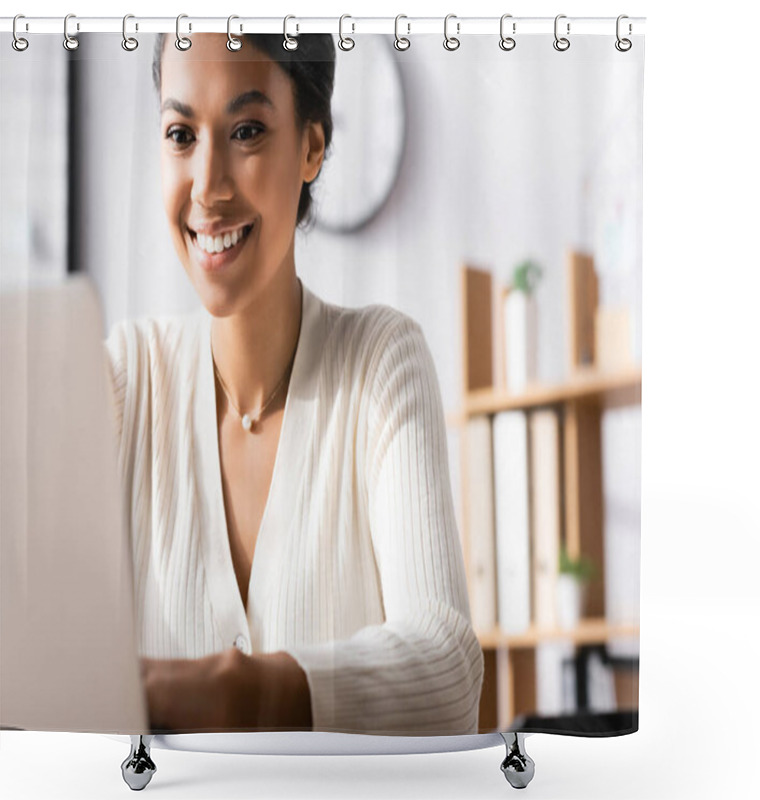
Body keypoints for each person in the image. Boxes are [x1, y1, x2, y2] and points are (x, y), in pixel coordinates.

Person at [104, 31, 483, 736]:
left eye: (246, 130)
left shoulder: (380, 363)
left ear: (311, 146)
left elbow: (448, 670)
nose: (209, 186)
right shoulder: (123, 378)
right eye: (181, 134)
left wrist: (230, 690)